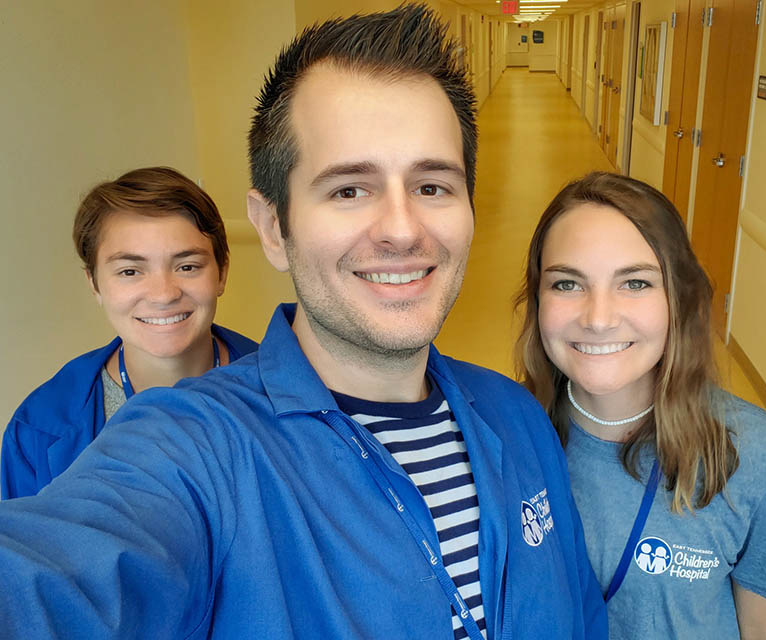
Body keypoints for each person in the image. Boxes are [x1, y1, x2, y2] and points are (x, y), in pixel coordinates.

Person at [0, 6, 608, 639]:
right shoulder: (198, 447)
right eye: (349, 190)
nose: (403, 230)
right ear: (273, 228)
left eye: (432, 186)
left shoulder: (517, 419)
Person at [515, 171, 766, 639]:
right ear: (537, 299)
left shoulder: (764, 460)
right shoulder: (502, 436)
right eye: (567, 284)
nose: (599, 319)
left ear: (678, 300)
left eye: (635, 283)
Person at [1, 166, 258, 499]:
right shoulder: (38, 428)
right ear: (94, 283)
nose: (163, 294)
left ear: (221, 273)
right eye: (130, 271)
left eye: (187, 266)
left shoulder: (290, 392)